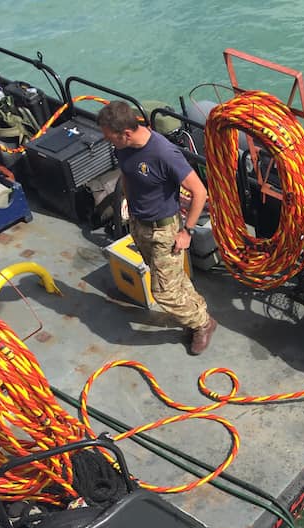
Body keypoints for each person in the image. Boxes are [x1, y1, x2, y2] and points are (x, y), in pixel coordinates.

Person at [97, 101, 216, 355]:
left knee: (163, 292)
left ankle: (203, 324)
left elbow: (199, 192)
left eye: (110, 137)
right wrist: (128, 201)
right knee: (174, 280)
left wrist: (187, 232)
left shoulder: (163, 153)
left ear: (125, 133)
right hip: (140, 225)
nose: (109, 142)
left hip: (165, 231)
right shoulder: (124, 148)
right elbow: (128, 174)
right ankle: (198, 311)